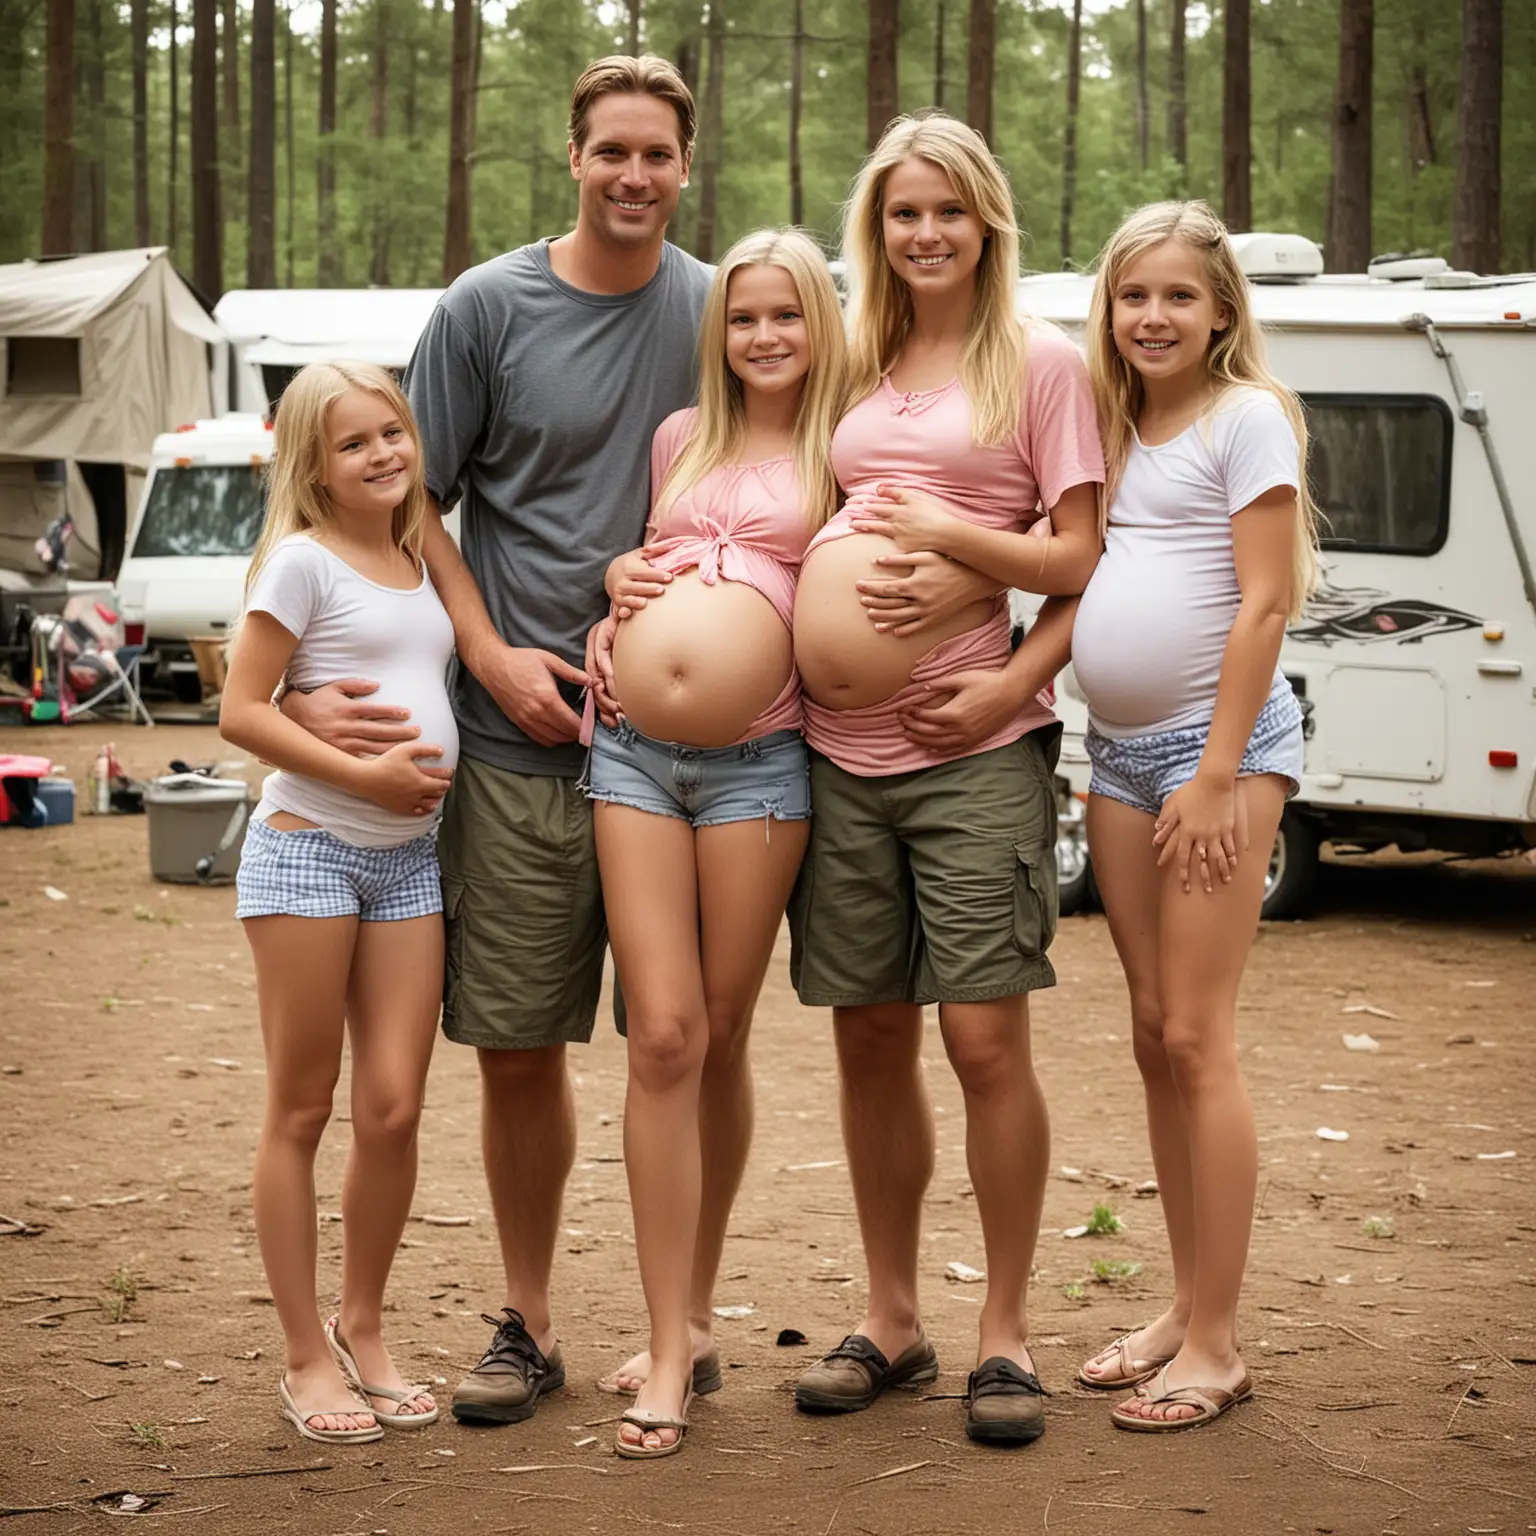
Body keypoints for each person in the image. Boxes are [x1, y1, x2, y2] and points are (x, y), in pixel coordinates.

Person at [280, 56, 712, 1427]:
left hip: (687, 754)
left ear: (685, 166)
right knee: (520, 1048)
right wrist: (482, 648)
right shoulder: (487, 310)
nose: (634, 175)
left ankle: (682, 1323)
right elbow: (400, 503)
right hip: (518, 747)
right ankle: (527, 1323)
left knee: (686, 1045)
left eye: (657, 154)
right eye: (612, 153)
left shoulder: (721, 311)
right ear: (572, 159)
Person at [786, 113, 1105, 1447]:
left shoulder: (1040, 366)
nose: (925, 234)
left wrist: (1008, 679)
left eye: (949, 213)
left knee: (982, 1038)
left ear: (988, 225)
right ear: (880, 227)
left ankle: (1008, 1334)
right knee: (868, 1034)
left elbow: (1084, 555)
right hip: (833, 754)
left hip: (975, 746)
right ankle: (895, 1318)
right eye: (905, 213)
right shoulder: (848, 363)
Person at [580, 228, 846, 1458]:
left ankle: (692, 1309)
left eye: (787, 314)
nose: (764, 336)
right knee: (664, 1033)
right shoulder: (677, 439)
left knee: (722, 1035)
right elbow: (645, 570)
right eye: (744, 317)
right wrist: (614, 599)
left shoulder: (846, 444)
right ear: (719, 330)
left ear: (821, 323)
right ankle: (667, 1348)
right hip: (630, 753)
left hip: (762, 766)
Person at [1070, 200, 1315, 1432]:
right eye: (1132, 296)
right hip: (1114, 756)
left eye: (1176, 295)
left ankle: (1216, 1343)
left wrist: (1216, 772)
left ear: (1222, 308)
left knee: (1201, 1037)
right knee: (1154, 1030)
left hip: (1216, 756)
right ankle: (1180, 1301)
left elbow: (1264, 605)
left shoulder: (1246, 417)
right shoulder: (1117, 423)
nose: (1153, 315)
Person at [220, 361, 456, 1444]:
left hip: (411, 863)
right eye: (354, 442)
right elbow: (240, 709)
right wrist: (363, 775)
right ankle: (306, 1352)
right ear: (312, 462)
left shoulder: (417, 554)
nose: (381, 456)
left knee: (396, 1106)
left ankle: (365, 1327)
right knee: (304, 1109)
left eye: (393, 433)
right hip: (310, 850)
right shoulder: (302, 563)